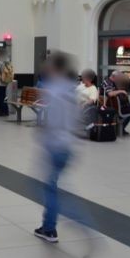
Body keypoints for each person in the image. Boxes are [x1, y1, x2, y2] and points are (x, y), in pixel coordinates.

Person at [34, 51, 82, 243]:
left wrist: (43, 134)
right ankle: (48, 225)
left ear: (54, 68)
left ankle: (50, 228)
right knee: (52, 185)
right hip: (68, 145)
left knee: (50, 188)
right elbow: (76, 120)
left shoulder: (54, 91)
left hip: (55, 146)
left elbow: (53, 122)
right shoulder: (71, 89)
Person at [100, 70, 130, 134]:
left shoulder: (112, 82)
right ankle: (120, 129)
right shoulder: (107, 83)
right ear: (114, 77)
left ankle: (120, 128)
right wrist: (121, 91)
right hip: (114, 108)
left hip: (114, 106)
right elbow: (110, 93)